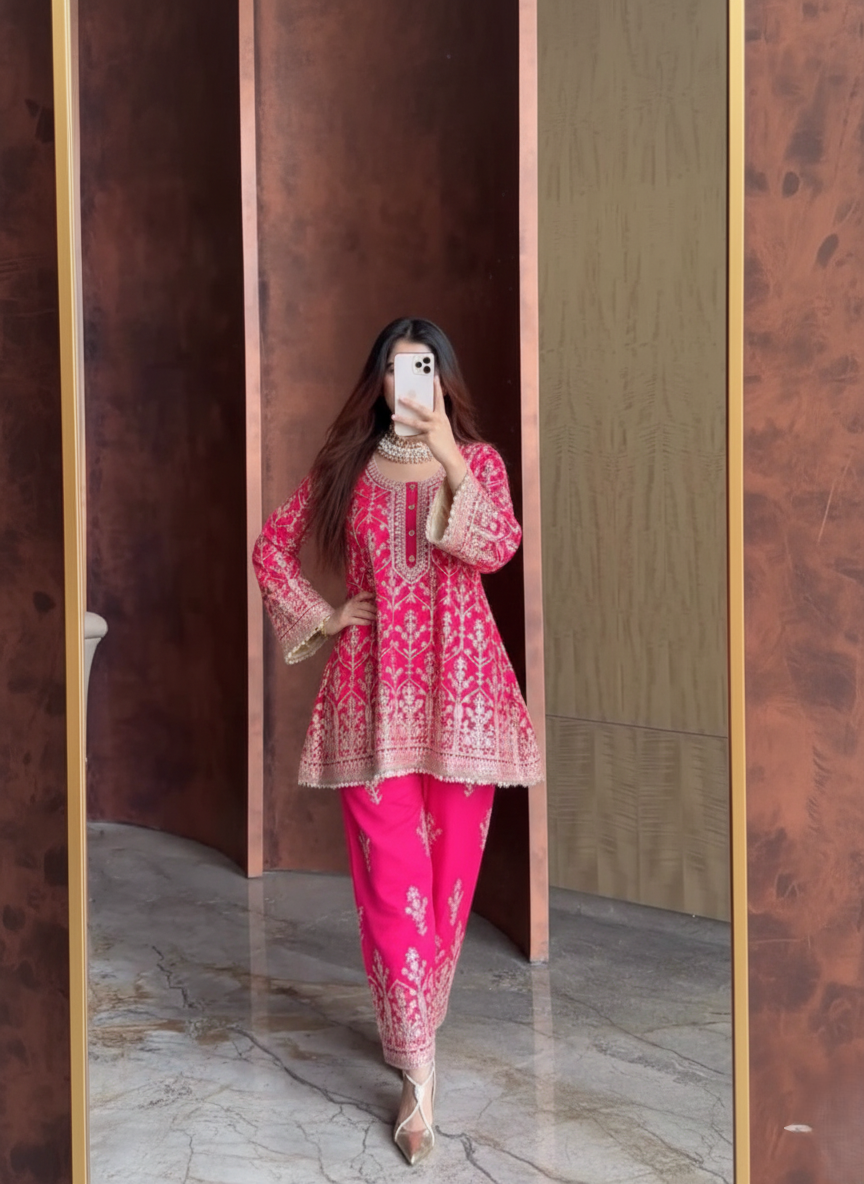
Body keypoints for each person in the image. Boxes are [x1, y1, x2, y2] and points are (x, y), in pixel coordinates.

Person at [253, 317, 542, 1166]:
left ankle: (414, 1029)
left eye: (423, 367)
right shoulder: (345, 467)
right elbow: (272, 549)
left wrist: (449, 454)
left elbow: (497, 548)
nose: (408, 380)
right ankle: (419, 1075)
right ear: (377, 381)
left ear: (442, 379)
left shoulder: (478, 462)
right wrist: (325, 617)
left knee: (446, 889)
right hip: (369, 704)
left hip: (464, 703)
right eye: (394, 367)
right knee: (391, 887)